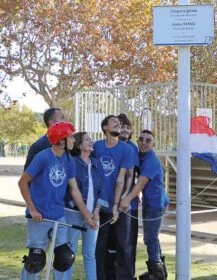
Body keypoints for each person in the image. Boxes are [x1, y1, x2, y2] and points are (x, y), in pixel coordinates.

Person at [18, 122, 96, 279]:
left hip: (59, 215)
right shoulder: (42, 157)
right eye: (71, 137)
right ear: (61, 140)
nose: (74, 140)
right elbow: (22, 182)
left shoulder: (68, 160)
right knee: (36, 260)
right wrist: (32, 209)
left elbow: (74, 190)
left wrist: (88, 216)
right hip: (39, 216)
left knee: (64, 257)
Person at [120, 130, 170, 280]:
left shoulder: (151, 161)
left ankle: (157, 273)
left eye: (148, 140)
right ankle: (159, 269)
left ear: (153, 144)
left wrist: (127, 198)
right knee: (152, 237)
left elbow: (141, 183)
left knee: (150, 238)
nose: (143, 142)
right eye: (141, 139)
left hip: (156, 204)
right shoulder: (142, 157)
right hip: (151, 202)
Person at [93, 115, 134, 280]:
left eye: (120, 123)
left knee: (123, 246)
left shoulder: (126, 149)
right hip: (98, 205)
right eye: (114, 123)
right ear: (105, 128)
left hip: (118, 206)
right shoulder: (96, 146)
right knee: (100, 245)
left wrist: (117, 204)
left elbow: (121, 179)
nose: (119, 125)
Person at [64, 132, 109, 280]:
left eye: (91, 140)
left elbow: (103, 189)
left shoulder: (97, 163)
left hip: (93, 215)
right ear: (79, 145)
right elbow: (70, 190)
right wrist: (86, 215)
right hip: (73, 214)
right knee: (69, 253)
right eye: (87, 140)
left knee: (90, 254)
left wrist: (97, 211)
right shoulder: (72, 162)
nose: (91, 142)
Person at [117, 113, 141, 276]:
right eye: (121, 126)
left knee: (127, 245)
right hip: (110, 203)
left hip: (127, 204)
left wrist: (130, 196)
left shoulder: (132, 148)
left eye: (127, 127)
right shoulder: (108, 146)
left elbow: (134, 175)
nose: (125, 129)